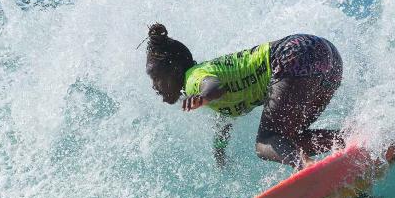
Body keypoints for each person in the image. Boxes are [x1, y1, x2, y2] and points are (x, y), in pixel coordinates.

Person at [144, 23, 345, 170]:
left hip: (294, 54)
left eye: (155, 78)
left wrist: (203, 97)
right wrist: (220, 156)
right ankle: (353, 140)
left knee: (266, 142)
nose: (154, 86)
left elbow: (214, 87)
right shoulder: (212, 91)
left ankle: (310, 169)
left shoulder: (193, 78)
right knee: (289, 140)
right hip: (327, 57)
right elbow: (222, 127)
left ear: (173, 71)